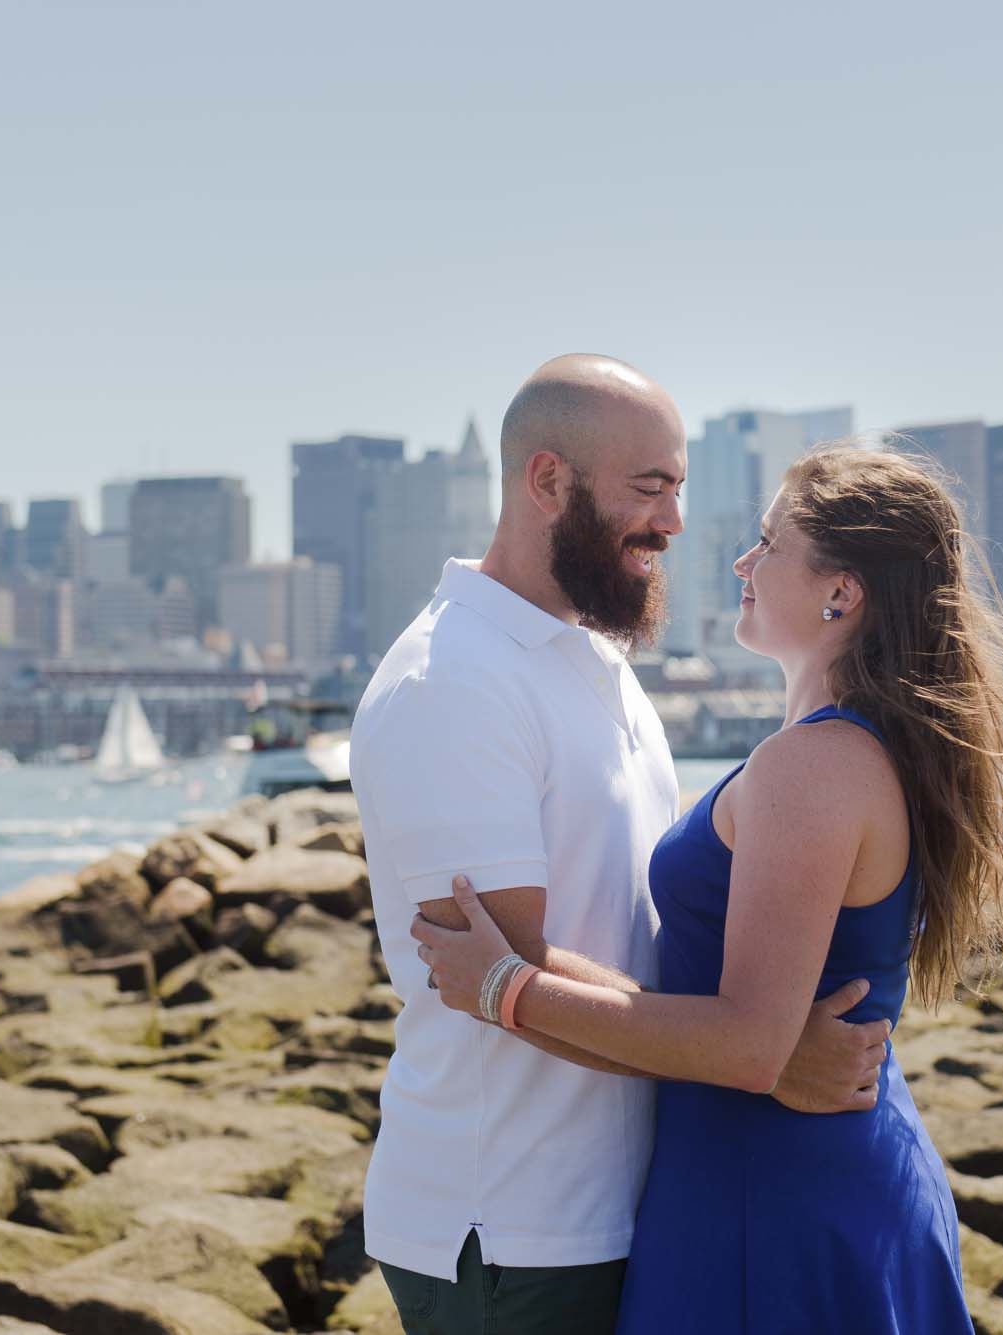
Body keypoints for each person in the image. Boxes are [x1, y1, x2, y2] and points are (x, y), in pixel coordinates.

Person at [415, 442, 1003, 1334]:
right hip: (798, 1179)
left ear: (840, 591)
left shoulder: (815, 765)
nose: (741, 562)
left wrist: (507, 989)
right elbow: (726, 1017)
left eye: (769, 542)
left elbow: (748, 1044)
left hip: (773, 1203)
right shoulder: (845, 751)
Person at [349, 356, 895, 1335]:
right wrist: (760, 1059)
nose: (675, 523)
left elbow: (627, 935)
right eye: (650, 488)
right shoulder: (452, 682)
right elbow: (499, 972)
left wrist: (751, 1049)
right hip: (512, 1228)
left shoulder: (593, 660)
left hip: (621, 1204)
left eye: (678, 486)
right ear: (546, 480)